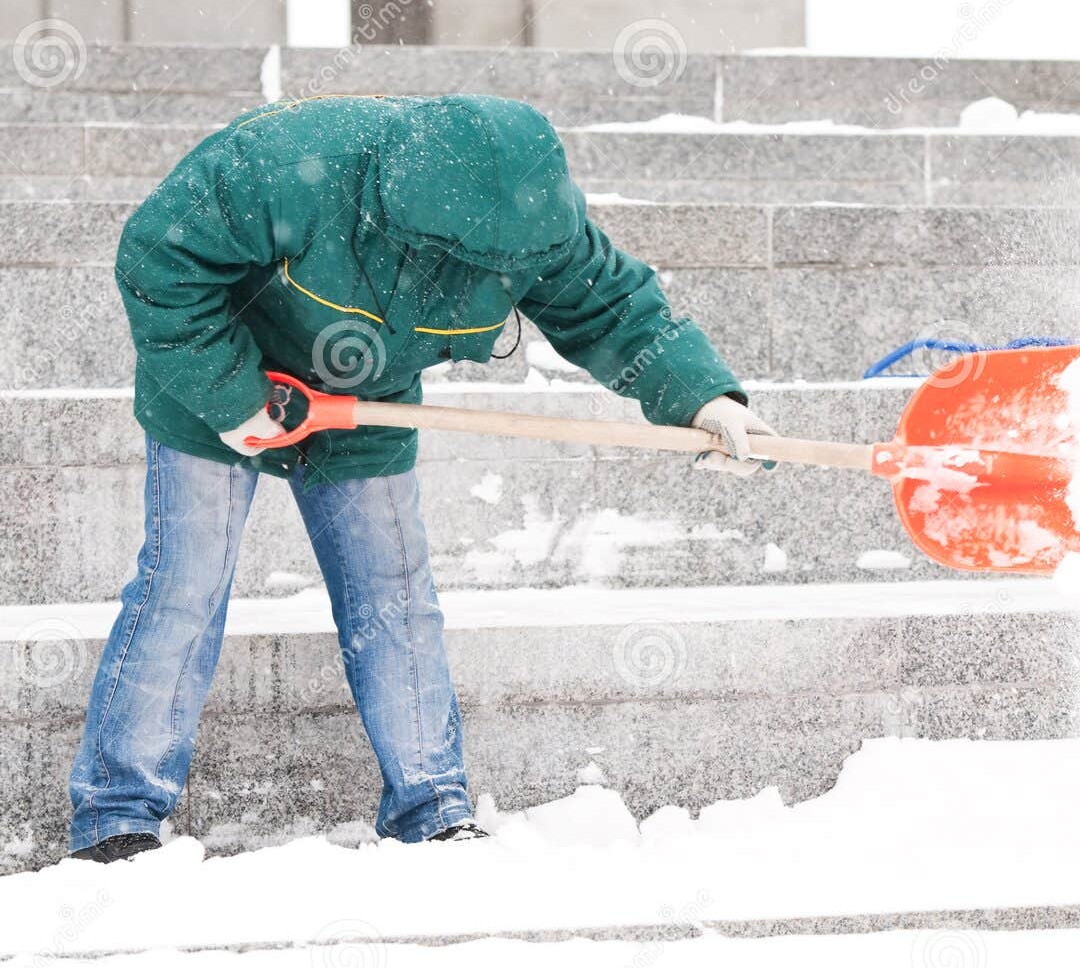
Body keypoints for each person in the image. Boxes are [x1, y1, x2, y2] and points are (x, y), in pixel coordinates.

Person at [68, 94, 772, 862]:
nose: (489, 277)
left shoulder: (532, 218)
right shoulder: (285, 168)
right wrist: (237, 399)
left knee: (396, 596)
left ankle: (430, 806)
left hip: (366, 402)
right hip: (214, 373)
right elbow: (157, 260)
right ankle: (117, 818)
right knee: (183, 586)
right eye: (463, 259)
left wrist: (704, 396)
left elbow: (611, 306)